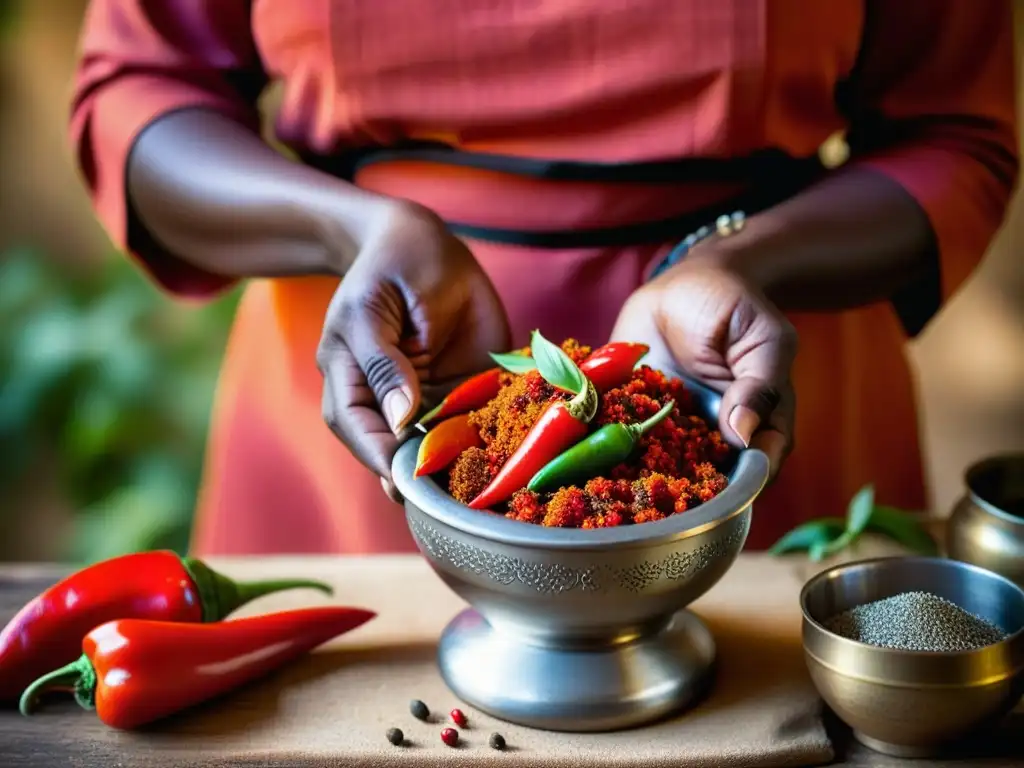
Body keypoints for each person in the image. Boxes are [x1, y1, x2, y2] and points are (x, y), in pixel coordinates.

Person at [69, 0, 1017, 554]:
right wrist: (347, 225)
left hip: (743, 397)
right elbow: (138, 89)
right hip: (375, 393)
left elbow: (955, 135)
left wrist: (743, 256)